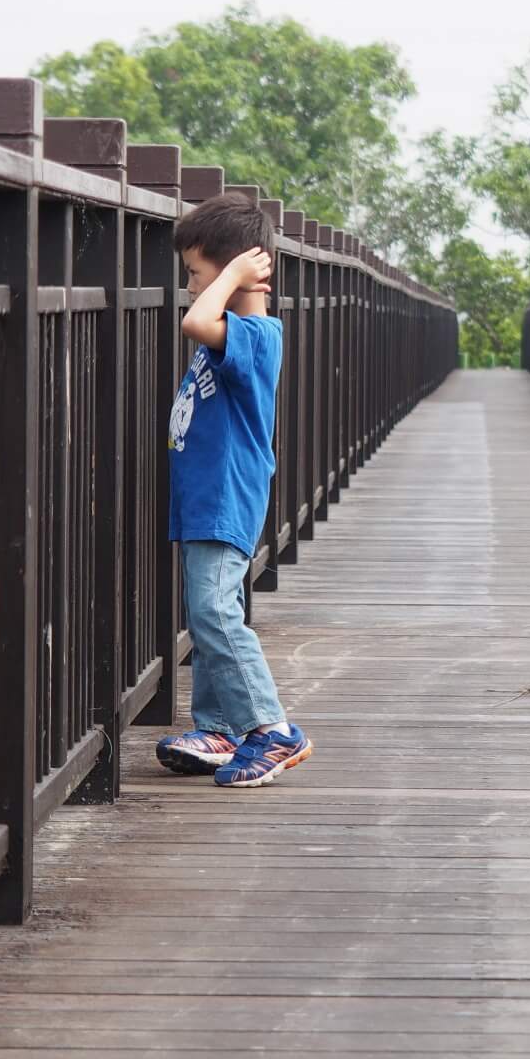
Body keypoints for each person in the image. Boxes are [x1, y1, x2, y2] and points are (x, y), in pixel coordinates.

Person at [154, 192, 313, 787]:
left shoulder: (256, 333)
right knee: (209, 610)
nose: (191, 286)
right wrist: (228, 278)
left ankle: (270, 730)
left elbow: (195, 321)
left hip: (225, 496)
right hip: (205, 497)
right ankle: (219, 727)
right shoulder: (234, 330)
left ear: (230, 270)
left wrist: (234, 277)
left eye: (195, 272)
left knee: (215, 612)